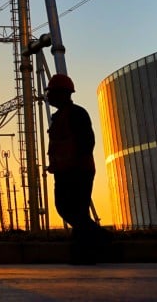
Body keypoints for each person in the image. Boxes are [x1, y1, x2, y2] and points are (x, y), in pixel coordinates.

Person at [45, 72, 111, 264]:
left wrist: (74, 162)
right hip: (64, 170)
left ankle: (91, 247)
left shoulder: (77, 114)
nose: (48, 96)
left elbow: (87, 141)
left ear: (63, 93)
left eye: (51, 92)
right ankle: (93, 244)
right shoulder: (58, 117)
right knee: (67, 208)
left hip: (78, 170)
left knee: (75, 210)